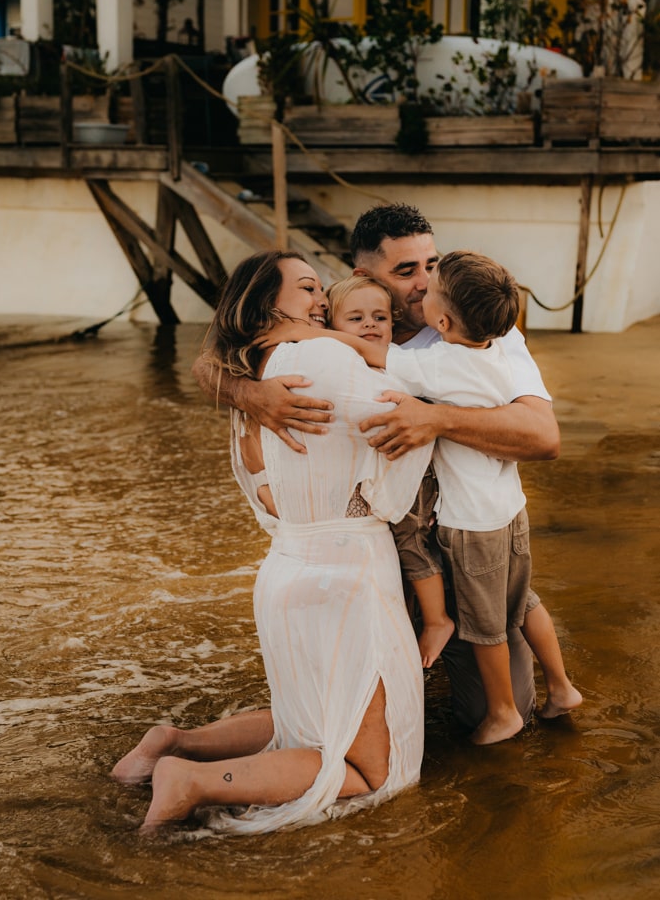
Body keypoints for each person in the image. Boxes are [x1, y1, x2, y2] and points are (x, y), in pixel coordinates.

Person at [191, 203, 560, 731]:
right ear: (366, 278)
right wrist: (248, 392)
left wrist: (436, 420)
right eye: (405, 271)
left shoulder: (475, 322)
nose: (424, 283)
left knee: (501, 712)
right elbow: (220, 351)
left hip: (466, 543)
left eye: (431, 265)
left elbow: (544, 437)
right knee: (350, 715)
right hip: (384, 551)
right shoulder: (344, 313)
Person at [112, 250, 434, 833]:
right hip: (348, 576)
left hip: (286, 566)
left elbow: (269, 498)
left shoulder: (256, 377)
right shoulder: (320, 356)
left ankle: (172, 744)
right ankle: (193, 780)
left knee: (306, 723)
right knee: (371, 770)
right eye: (308, 289)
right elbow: (399, 444)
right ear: (268, 304)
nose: (321, 301)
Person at [271, 251, 583, 745]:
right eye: (406, 272)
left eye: (430, 275)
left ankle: (503, 712)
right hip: (511, 511)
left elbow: (379, 359)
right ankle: (563, 687)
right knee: (523, 603)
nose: (421, 286)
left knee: (486, 627)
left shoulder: (437, 363)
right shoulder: (496, 342)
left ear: (442, 319)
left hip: (470, 522)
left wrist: (310, 335)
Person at [326, 273, 454, 668]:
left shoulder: (394, 367)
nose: (370, 325)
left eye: (379, 318)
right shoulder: (349, 367)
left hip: (413, 475)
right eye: (356, 319)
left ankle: (437, 621)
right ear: (333, 327)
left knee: (410, 542)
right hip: (392, 474)